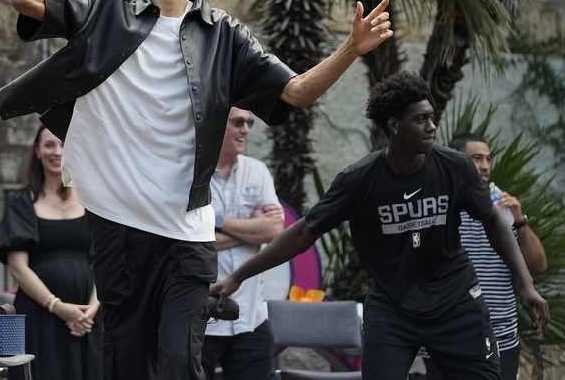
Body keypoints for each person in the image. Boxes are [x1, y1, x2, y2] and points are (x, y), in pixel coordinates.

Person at [0, 0, 392, 379]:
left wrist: (351, 49)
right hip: (117, 227)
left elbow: (295, 92)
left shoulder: (223, 33)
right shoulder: (104, 8)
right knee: (123, 363)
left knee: (177, 361)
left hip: (187, 232)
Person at [212, 71, 549, 379]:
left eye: (432, 117)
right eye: (421, 119)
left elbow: (493, 220)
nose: (432, 126)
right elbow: (302, 232)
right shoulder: (360, 180)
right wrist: (238, 276)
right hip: (393, 309)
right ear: (394, 125)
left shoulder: (454, 168)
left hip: (455, 302)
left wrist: (525, 284)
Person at [424, 134, 547, 380]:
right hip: (446, 334)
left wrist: (519, 220)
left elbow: (539, 265)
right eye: (477, 158)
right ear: (456, 161)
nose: (485, 166)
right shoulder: (435, 203)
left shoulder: (503, 203)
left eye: (488, 159)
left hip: (499, 334)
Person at [0, 126, 102, 380]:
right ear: (37, 151)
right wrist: (58, 307)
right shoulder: (23, 202)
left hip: (89, 320)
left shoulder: (94, 200)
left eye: (63, 144)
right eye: (49, 145)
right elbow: (18, 267)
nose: (57, 152)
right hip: (40, 317)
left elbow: (105, 260)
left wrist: (92, 308)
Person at [203, 108, 283, 380]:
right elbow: (188, 241)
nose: (246, 130)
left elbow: (274, 228)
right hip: (202, 320)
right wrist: (251, 229)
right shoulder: (192, 173)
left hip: (251, 318)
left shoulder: (257, 171)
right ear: (216, 125)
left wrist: (216, 220)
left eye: (249, 123)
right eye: (238, 123)